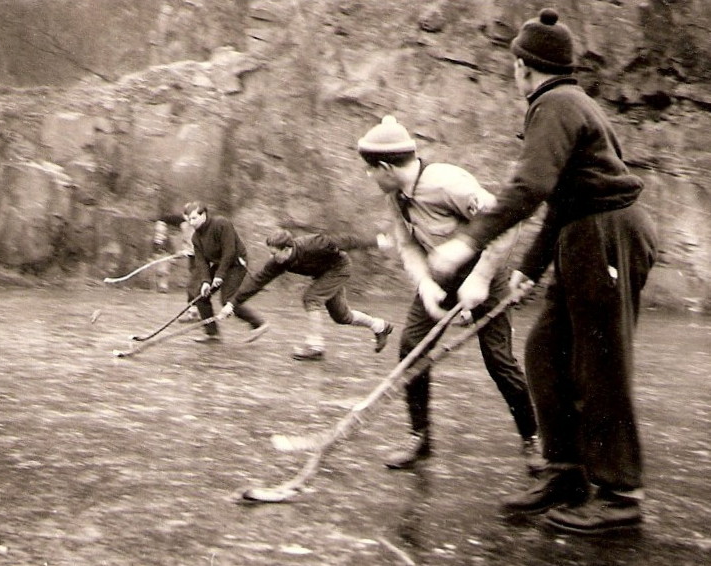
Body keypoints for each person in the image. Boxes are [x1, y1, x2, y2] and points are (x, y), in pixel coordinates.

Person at [426, 9, 659, 534]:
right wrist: (530, 267)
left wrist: (466, 241)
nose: (512, 72)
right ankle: (567, 472)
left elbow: (530, 187)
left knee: (602, 365)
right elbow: (557, 197)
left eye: (513, 63)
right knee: (545, 352)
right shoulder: (567, 103)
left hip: (607, 236)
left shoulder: (554, 103)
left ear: (524, 65)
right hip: (583, 234)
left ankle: (621, 496)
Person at [356, 115, 542, 475]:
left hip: (484, 274)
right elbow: (407, 244)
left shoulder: (448, 183)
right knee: (411, 348)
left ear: (385, 167)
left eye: (369, 170)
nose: (368, 177)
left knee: (499, 363)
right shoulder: (395, 195)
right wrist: (424, 284)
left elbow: (509, 222)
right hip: (440, 279)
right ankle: (419, 437)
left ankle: (531, 440)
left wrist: (482, 278)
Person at [219, 229, 394, 361]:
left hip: (339, 268)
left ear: (287, 249)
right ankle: (380, 326)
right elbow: (257, 281)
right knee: (342, 316)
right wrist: (231, 305)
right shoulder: (278, 263)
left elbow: (346, 240)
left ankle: (315, 347)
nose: (271, 257)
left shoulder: (313, 244)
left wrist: (376, 241)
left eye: (274, 253)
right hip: (324, 275)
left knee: (311, 299)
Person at [184, 201, 269, 343]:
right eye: (189, 219)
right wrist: (206, 281)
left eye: (194, 218)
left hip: (236, 263)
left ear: (203, 215)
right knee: (199, 294)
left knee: (227, 300)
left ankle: (259, 323)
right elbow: (202, 262)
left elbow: (230, 251)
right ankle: (212, 334)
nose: (191, 222)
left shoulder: (221, 224)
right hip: (220, 264)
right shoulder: (196, 238)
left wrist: (219, 275)